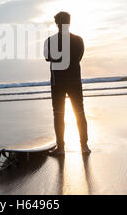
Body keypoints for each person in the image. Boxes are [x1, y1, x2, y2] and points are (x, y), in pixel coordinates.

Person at [44, 11, 91, 155]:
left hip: (58, 82)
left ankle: (61, 148)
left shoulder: (50, 40)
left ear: (56, 23)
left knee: (58, 114)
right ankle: (84, 147)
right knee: (79, 113)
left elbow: (47, 58)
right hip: (74, 81)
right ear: (69, 22)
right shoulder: (79, 40)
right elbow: (79, 57)